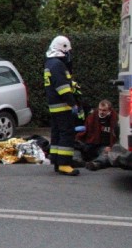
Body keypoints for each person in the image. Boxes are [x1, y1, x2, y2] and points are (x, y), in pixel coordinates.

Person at [44, 35, 81, 176]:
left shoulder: (50, 63)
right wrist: (73, 103)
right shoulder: (58, 65)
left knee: (57, 133)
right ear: (62, 49)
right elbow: (63, 87)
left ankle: (57, 161)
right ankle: (65, 164)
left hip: (54, 105)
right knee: (66, 133)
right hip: (63, 105)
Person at [77, 100, 120, 169]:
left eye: (104, 110)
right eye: (100, 110)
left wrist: (111, 146)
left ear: (109, 111)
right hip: (91, 143)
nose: (101, 112)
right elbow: (86, 132)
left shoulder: (115, 120)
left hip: (105, 146)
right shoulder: (92, 117)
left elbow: (117, 136)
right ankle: (77, 161)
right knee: (76, 147)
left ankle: (96, 164)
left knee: (108, 154)